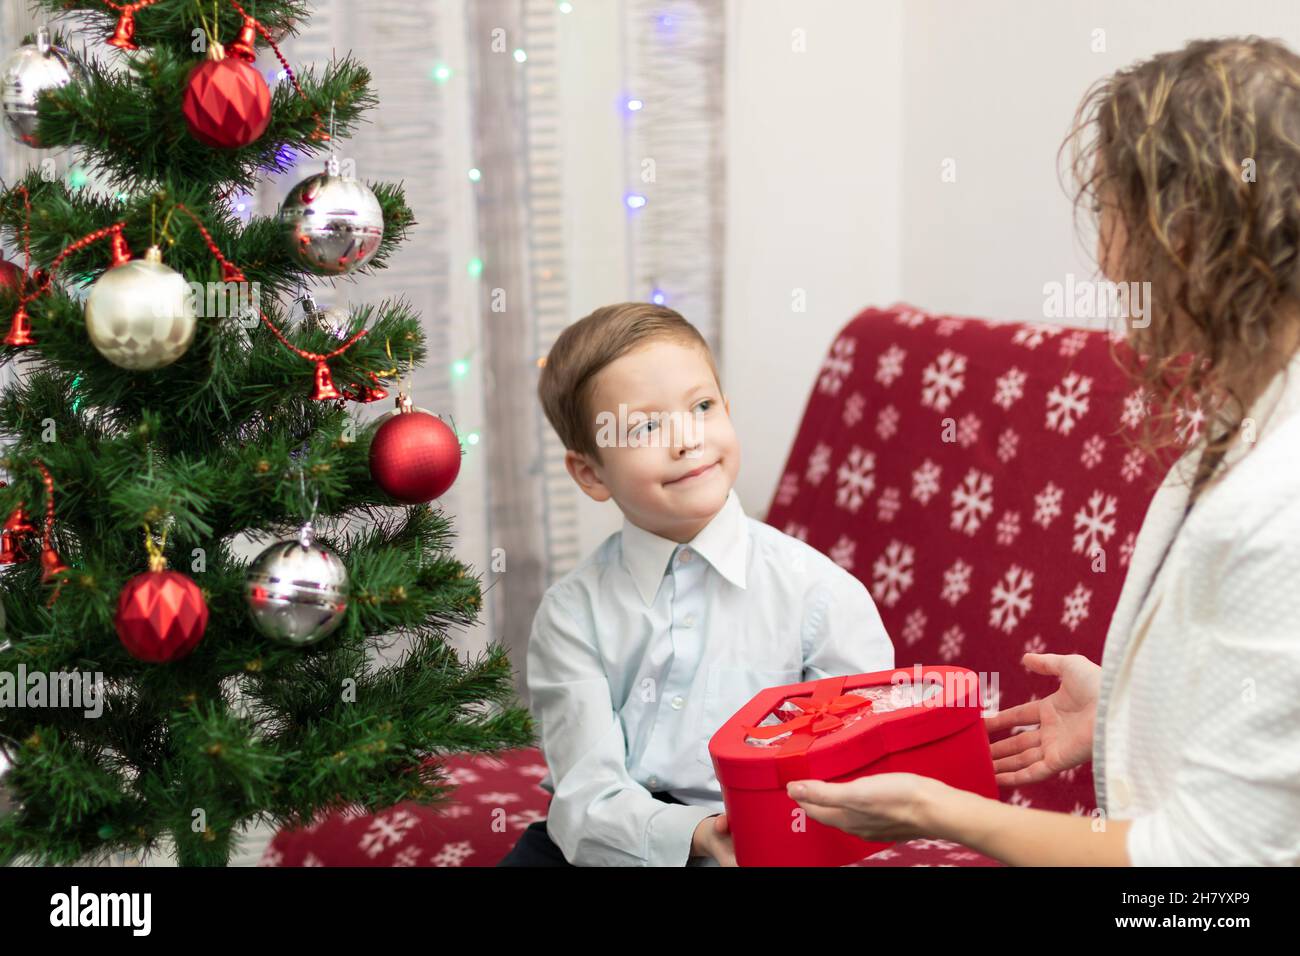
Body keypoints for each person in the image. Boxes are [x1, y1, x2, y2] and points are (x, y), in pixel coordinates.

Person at [788, 36, 1300, 866]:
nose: (1103, 256)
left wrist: (937, 808)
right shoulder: (1240, 430)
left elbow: (1212, 875)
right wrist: (1122, 717)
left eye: (1110, 211)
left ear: (1189, 234)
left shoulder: (1281, 498)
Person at [498, 302, 895, 865]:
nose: (687, 439)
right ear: (591, 473)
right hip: (617, 837)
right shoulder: (572, 613)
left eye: (702, 407)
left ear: (727, 412)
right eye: (646, 426)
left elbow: (859, 762)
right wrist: (695, 834)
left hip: (773, 833)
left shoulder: (818, 593)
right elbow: (586, 796)